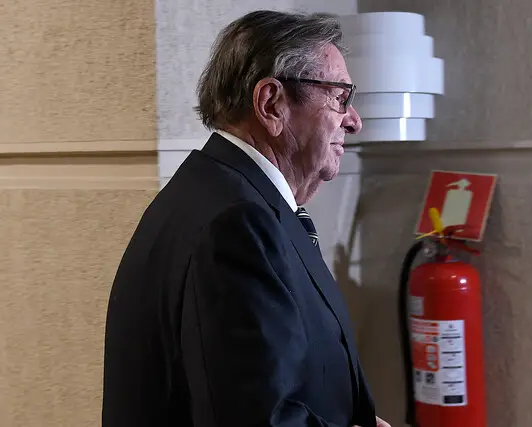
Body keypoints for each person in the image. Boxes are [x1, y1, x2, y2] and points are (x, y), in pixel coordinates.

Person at [101, 9, 391, 427]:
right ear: (271, 103)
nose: (354, 121)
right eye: (339, 97)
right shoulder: (236, 224)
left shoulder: (217, 194)